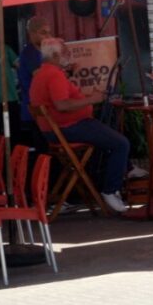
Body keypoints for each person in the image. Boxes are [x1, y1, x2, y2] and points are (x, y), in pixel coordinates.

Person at [29, 38, 132, 213]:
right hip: (68, 127)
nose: (68, 55)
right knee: (121, 144)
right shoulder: (54, 75)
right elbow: (62, 105)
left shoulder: (41, 74)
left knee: (110, 138)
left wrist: (86, 98)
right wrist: (93, 99)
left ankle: (121, 174)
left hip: (54, 130)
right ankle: (110, 190)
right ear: (54, 55)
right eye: (64, 52)